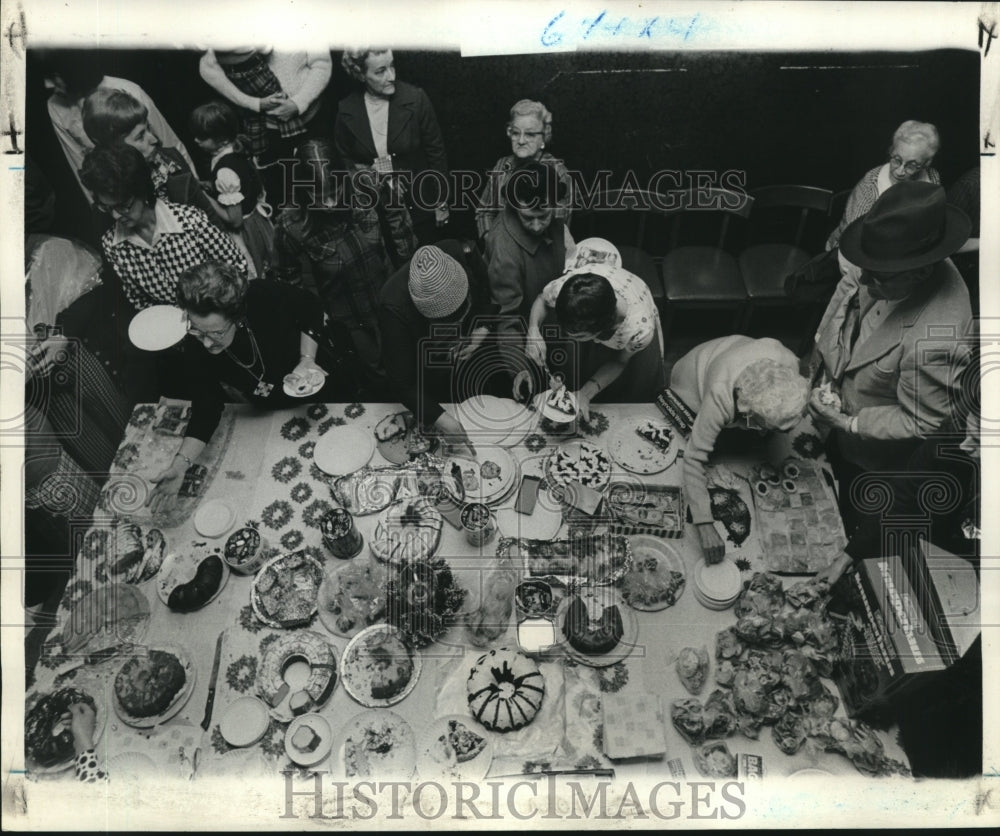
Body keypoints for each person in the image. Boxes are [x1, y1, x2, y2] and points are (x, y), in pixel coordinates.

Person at [818, 354, 981, 779]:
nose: (966, 444)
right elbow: (915, 490)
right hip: (941, 570)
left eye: (981, 440)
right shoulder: (971, 417)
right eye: (969, 427)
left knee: (945, 740)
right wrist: (852, 552)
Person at [808, 180, 972, 539]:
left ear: (922, 271)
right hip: (834, 401)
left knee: (841, 514)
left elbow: (923, 421)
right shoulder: (890, 253)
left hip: (866, 452)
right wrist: (823, 368)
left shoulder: (937, 342)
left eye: (878, 277)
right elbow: (844, 307)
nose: (864, 280)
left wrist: (847, 423)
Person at [148, 262, 356, 514]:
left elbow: (311, 306)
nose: (205, 343)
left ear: (236, 315)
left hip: (317, 386)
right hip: (272, 407)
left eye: (215, 333)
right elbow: (206, 406)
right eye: (196, 331)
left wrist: (307, 360)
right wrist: (180, 465)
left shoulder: (262, 295)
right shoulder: (197, 341)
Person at [669, 336, 810, 563]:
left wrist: (768, 428)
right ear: (746, 411)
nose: (764, 433)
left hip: (730, 359)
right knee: (701, 439)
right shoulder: (719, 395)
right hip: (691, 379)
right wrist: (704, 524)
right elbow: (693, 459)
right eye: (760, 426)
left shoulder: (790, 365)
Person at [79, 144, 248, 311]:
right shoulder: (113, 246)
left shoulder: (189, 220)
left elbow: (237, 267)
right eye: (107, 208)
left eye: (124, 206)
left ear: (143, 191)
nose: (115, 216)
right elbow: (138, 299)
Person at [274, 138, 392, 377]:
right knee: (376, 374)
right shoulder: (290, 225)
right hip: (349, 319)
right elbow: (290, 282)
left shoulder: (365, 188)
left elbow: (398, 223)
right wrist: (315, 316)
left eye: (334, 191)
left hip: (389, 298)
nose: (329, 203)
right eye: (319, 194)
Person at [377, 242, 498, 454]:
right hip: (430, 374)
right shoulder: (392, 308)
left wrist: (482, 327)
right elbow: (403, 383)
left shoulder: (464, 252)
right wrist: (440, 419)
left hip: (473, 358)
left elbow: (487, 291)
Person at [335, 49, 449, 261]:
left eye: (392, 66)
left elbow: (436, 153)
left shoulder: (416, 99)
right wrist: (367, 174)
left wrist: (441, 202)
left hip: (419, 204)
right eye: (381, 71)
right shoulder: (346, 109)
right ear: (360, 74)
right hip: (376, 212)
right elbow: (344, 162)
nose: (392, 76)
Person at [39, 50, 195, 204]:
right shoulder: (54, 106)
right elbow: (83, 169)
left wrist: (196, 194)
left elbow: (172, 146)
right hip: (123, 198)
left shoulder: (128, 90)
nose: (47, 85)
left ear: (73, 71)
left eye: (54, 76)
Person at [525, 262, 665, 414]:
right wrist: (533, 331)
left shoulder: (640, 330)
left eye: (577, 335)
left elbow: (620, 360)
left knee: (624, 394)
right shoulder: (564, 289)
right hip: (603, 283)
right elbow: (542, 299)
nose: (566, 336)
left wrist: (586, 393)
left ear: (601, 330)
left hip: (637, 294)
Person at [81, 88, 229, 231]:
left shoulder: (172, 160)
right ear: (114, 149)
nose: (153, 139)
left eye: (148, 129)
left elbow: (209, 217)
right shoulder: (108, 196)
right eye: (140, 137)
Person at [485, 161, 574, 394]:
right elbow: (506, 318)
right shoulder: (503, 248)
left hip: (555, 328)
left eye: (543, 216)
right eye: (528, 218)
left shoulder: (555, 219)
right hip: (522, 341)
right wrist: (518, 370)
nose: (536, 226)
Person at [198, 48, 333, 201]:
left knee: (324, 178)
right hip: (267, 129)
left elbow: (322, 65)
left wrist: (298, 103)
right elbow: (208, 68)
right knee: (285, 189)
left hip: (313, 119)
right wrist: (255, 103)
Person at [189, 100, 277, 279]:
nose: (196, 140)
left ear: (220, 138)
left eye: (202, 137)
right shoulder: (235, 150)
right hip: (257, 219)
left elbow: (234, 220)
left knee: (253, 273)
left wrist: (205, 196)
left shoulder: (225, 171)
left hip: (246, 231)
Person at [826, 120, 941, 251]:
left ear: (926, 164)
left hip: (905, 250)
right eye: (897, 160)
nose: (900, 171)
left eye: (912, 165)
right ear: (891, 150)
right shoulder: (870, 186)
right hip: (855, 250)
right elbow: (852, 239)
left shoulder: (932, 178)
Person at [475, 99, 573, 240]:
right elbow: (484, 213)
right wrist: (494, 244)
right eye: (515, 133)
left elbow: (558, 229)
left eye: (530, 134)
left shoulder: (559, 172)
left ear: (544, 138)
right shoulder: (502, 166)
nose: (521, 140)